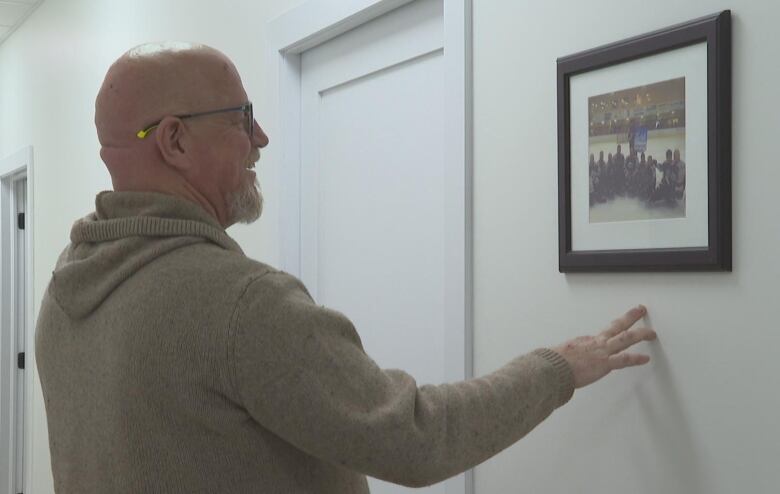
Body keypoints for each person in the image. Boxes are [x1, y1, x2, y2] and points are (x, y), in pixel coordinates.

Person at [34, 43, 657, 493]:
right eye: (242, 120)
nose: (263, 140)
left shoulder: (68, 288)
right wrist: (559, 368)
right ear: (173, 141)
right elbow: (418, 439)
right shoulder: (238, 304)